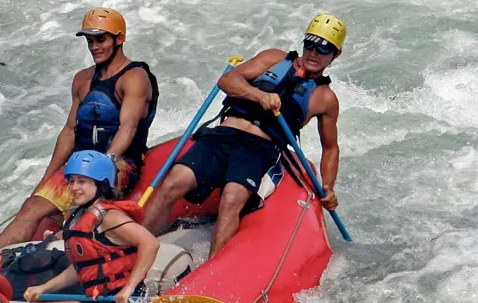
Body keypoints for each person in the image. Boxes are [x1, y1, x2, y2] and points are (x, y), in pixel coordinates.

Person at [142, 13, 346, 255]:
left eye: (323, 49)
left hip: (259, 150)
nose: (314, 53)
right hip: (223, 135)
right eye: (310, 44)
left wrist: (328, 187)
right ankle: (137, 248)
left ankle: (212, 271)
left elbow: (330, 148)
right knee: (173, 183)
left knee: (232, 198)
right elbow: (228, 80)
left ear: (336, 54)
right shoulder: (274, 58)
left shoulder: (325, 98)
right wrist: (259, 96)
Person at [0, 6, 158, 264]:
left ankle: (72, 239)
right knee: (31, 206)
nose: (94, 46)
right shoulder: (82, 79)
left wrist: (101, 167)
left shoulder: (135, 77)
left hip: (118, 163)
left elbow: (127, 128)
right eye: (90, 40)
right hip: (80, 162)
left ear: (119, 39)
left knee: (85, 211)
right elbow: (70, 130)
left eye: (101, 39)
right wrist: (47, 176)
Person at [21, 151, 160, 303]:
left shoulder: (110, 217)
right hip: (96, 297)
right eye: (71, 181)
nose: (74, 187)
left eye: (82, 181)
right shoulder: (78, 217)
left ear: (101, 184)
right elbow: (83, 268)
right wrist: (44, 288)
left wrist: (129, 287)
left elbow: (150, 243)